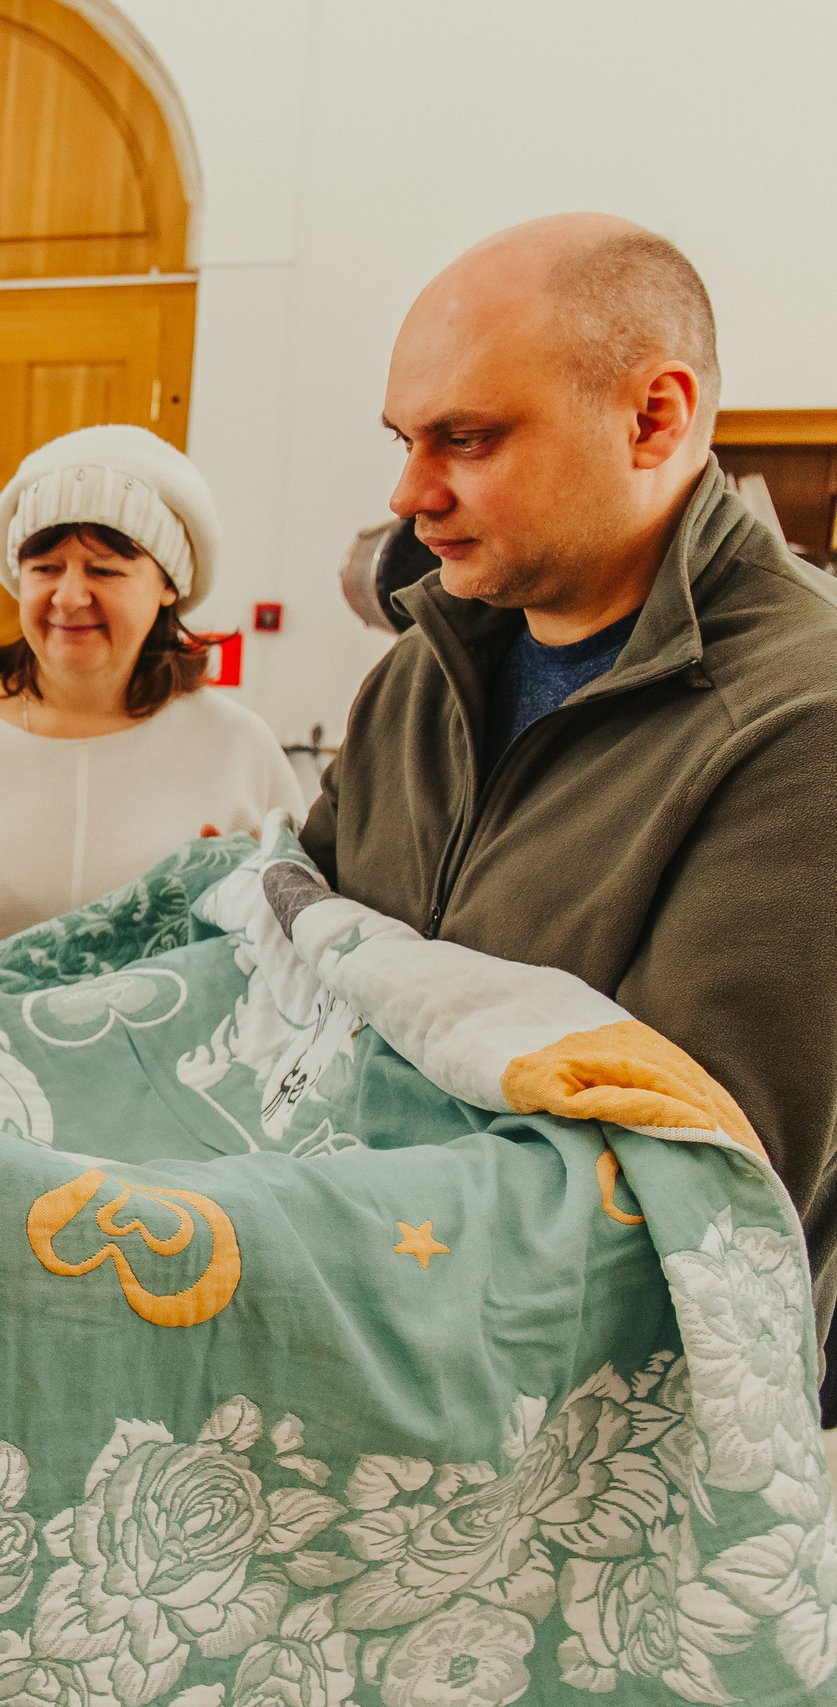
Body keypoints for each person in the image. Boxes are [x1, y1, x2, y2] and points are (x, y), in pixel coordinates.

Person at [299, 213, 837, 1419]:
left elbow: (695, 1196)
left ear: (652, 417)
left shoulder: (803, 719)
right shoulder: (424, 664)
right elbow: (308, 953)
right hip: (378, 1340)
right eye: (403, 439)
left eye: (465, 439)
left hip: (590, 1420)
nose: (407, 491)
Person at [0, 423, 304, 1535]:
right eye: (46, 563)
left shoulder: (236, 747)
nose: (69, 594)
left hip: (167, 1176)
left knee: (134, 1476)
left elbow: (289, 956)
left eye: (107, 564)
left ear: (166, 585)